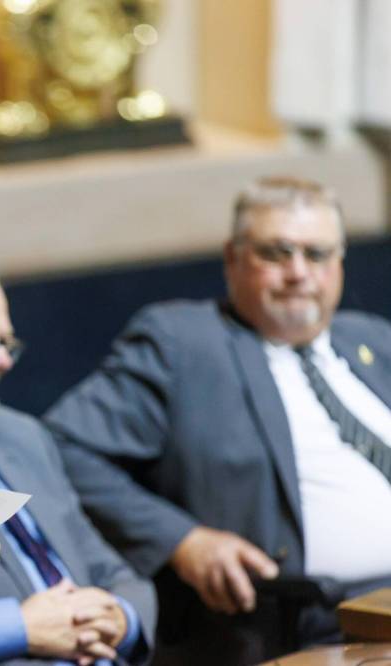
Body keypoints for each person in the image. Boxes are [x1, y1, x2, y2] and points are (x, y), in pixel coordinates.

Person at [43, 176, 391, 664]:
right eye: (276, 253)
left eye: (317, 254)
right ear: (233, 258)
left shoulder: (371, 339)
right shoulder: (183, 343)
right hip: (308, 627)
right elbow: (59, 448)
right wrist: (183, 540)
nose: (298, 272)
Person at [0, 256, 156, 666]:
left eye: (6, 344)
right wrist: (19, 627)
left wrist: (120, 617)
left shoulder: (24, 435)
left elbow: (115, 574)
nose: (2, 361)